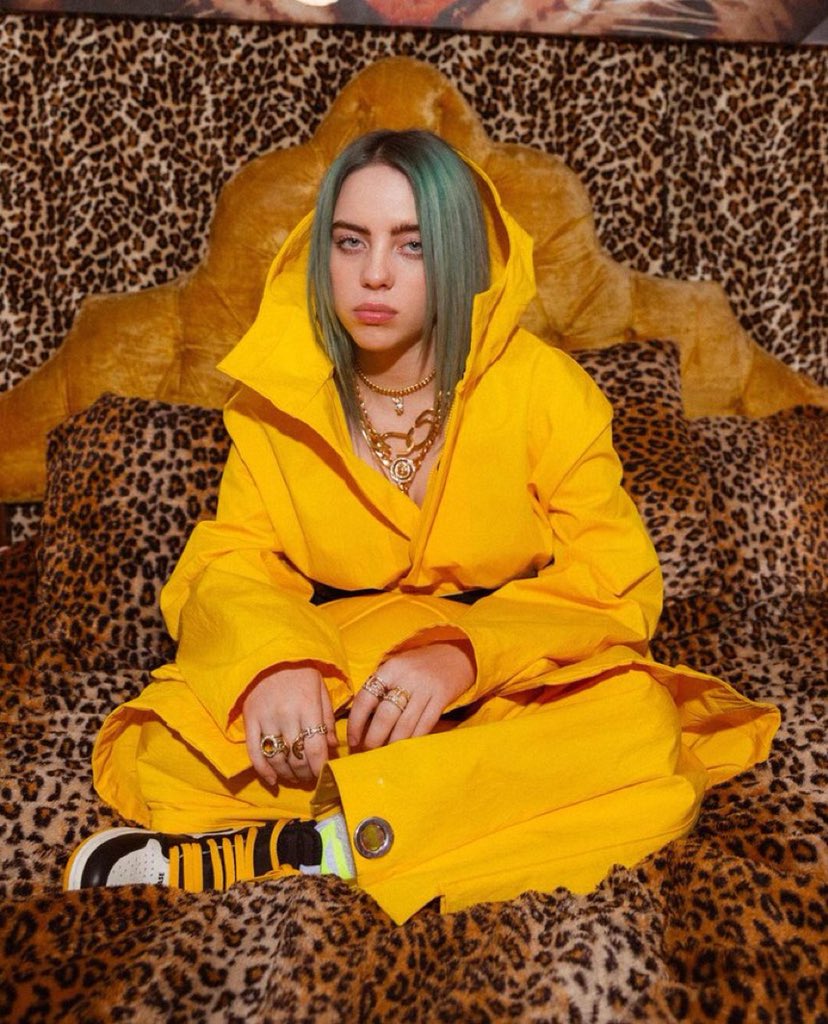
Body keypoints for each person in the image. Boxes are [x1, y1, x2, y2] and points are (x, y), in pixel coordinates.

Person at [65, 129, 779, 924]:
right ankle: (400, 830)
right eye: (351, 241)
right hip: (353, 683)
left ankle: (312, 848)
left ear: (459, 255)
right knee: (159, 750)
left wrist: (462, 655)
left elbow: (616, 579)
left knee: (643, 730)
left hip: (510, 682)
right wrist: (274, 663)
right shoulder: (276, 397)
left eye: (412, 246)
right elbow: (231, 558)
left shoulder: (547, 390)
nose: (374, 274)